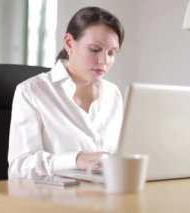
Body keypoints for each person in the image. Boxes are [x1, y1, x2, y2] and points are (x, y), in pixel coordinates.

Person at [8, 6, 125, 178]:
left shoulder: (112, 94)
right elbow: (19, 169)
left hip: (108, 195)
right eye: (94, 49)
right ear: (69, 43)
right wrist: (75, 159)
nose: (104, 61)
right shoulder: (31, 92)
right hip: (56, 199)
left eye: (111, 53)